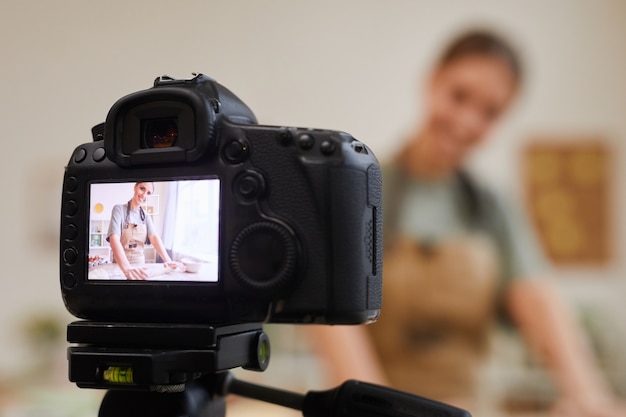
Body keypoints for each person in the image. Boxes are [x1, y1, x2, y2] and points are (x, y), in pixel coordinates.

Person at [307, 29, 626, 416]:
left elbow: (539, 300)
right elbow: (328, 318)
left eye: (490, 112)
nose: (467, 120)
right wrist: (378, 408)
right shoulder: (361, 188)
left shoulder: (493, 209)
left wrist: (588, 395)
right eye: (459, 96)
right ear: (432, 81)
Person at [107, 181, 184, 280]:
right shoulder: (119, 209)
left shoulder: (146, 216)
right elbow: (114, 239)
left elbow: (154, 237)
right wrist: (127, 269)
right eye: (142, 188)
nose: (144, 195)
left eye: (148, 193)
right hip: (120, 266)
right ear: (135, 187)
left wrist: (168, 260)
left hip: (140, 265)